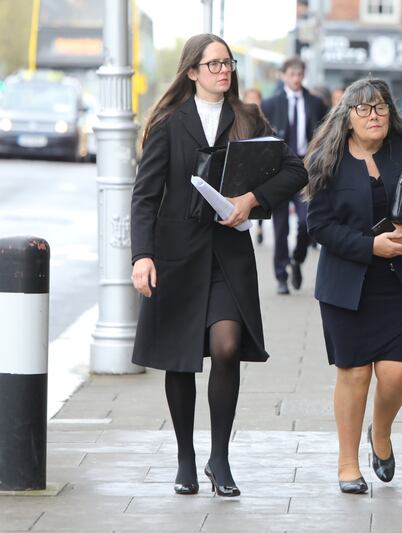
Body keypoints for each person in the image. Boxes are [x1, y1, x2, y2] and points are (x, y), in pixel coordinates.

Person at [130, 34, 307, 497]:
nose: (224, 71)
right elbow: (145, 196)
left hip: (228, 255)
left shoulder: (247, 118)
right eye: (213, 64)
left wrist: (251, 200)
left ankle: (219, 458)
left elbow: (295, 170)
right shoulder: (170, 123)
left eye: (228, 62)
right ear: (192, 72)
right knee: (180, 358)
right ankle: (186, 457)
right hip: (176, 255)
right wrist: (141, 256)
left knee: (227, 346)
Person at [305, 78, 402, 494]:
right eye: (365, 109)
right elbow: (319, 225)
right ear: (347, 117)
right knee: (353, 374)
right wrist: (370, 246)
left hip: (400, 282)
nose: (374, 116)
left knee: (398, 371)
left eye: (381, 108)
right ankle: (348, 464)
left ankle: (381, 431)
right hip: (346, 285)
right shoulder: (326, 159)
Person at [261, 57, 328, 294]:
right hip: (279, 172)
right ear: (283, 75)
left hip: (305, 169)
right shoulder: (270, 104)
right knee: (280, 228)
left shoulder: (316, 103)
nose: (297, 79)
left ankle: (297, 260)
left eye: (300, 74)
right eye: (292, 74)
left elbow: (324, 135)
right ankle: (280, 276)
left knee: (306, 222)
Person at [242, 87, 269, 245]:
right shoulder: (239, 117)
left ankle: (259, 225)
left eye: (256, 98)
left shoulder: (263, 119)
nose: (253, 101)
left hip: (261, 162)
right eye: (250, 97)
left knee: (258, 195)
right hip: (245, 162)